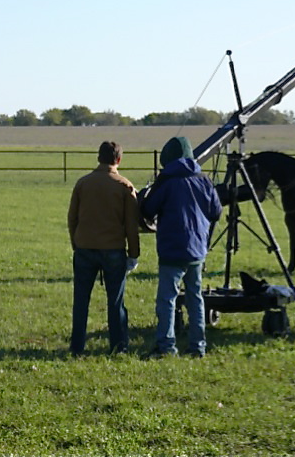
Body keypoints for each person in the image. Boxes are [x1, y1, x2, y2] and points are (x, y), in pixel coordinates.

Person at [141, 136, 222, 358]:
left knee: (167, 298)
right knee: (195, 298)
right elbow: (216, 211)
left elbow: (148, 210)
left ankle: (166, 346)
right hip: (197, 248)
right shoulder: (203, 180)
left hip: (172, 248)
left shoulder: (166, 181)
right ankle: (198, 346)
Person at [67, 141, 140, 355]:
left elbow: (72, 217)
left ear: (98, 157)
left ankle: (77, 346)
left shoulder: (83, 183)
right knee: (115, 301)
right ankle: (119, 347)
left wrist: (76, 242)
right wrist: (133, 254)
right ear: (118, 159)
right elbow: (131, 226)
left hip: (84, 248)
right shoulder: (125, 186)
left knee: (81, 301)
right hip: (113, 250)